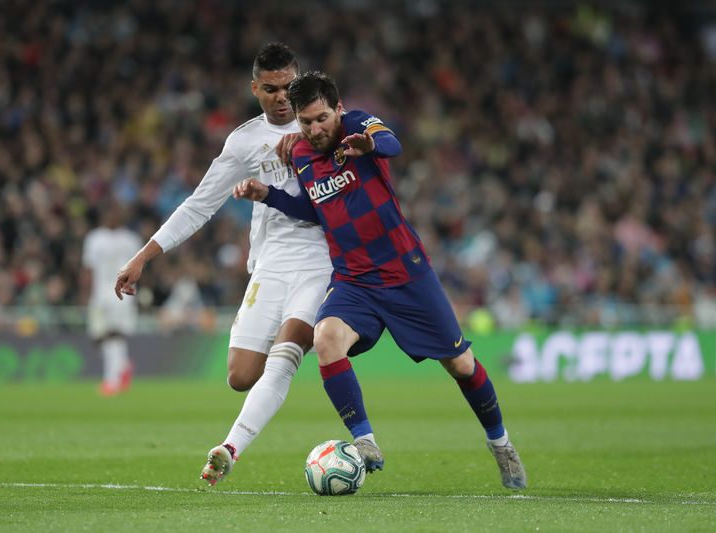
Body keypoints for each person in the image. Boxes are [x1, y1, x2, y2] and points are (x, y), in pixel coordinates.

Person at [233, 71, 527, 489]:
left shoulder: (358, 126)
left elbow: (393, 143)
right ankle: (365, 442)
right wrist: (269, 196)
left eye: (321, 118)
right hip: (353, 278)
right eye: (306, 121)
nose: (315, 129)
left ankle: (501, 444)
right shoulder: (299, 154)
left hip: (405, 271)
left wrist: (369, 146)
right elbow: (318, 210)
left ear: (337, 109)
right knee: (326, 338)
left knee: (461, 364)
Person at [113, 43, 334, 485]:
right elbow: (199, 205)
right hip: (270, 263)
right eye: (271, 88)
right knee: (240, 375)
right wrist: (143, 257)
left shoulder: (323, 124)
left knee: (285, 356)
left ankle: (229, 448)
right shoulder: (244, 142)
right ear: (255, 88)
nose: (282, 97)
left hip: (320, 259)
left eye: (289, 87)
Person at [82, 200, 143, 396]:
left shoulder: (131, 239)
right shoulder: (94, 238)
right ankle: (123, 365)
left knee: (115, 334)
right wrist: (86, 292)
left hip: (123, 293)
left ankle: (111, 381)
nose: (113, 217)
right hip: (100, 293)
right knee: (98, 336)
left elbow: (140, 268)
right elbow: (89, 269)